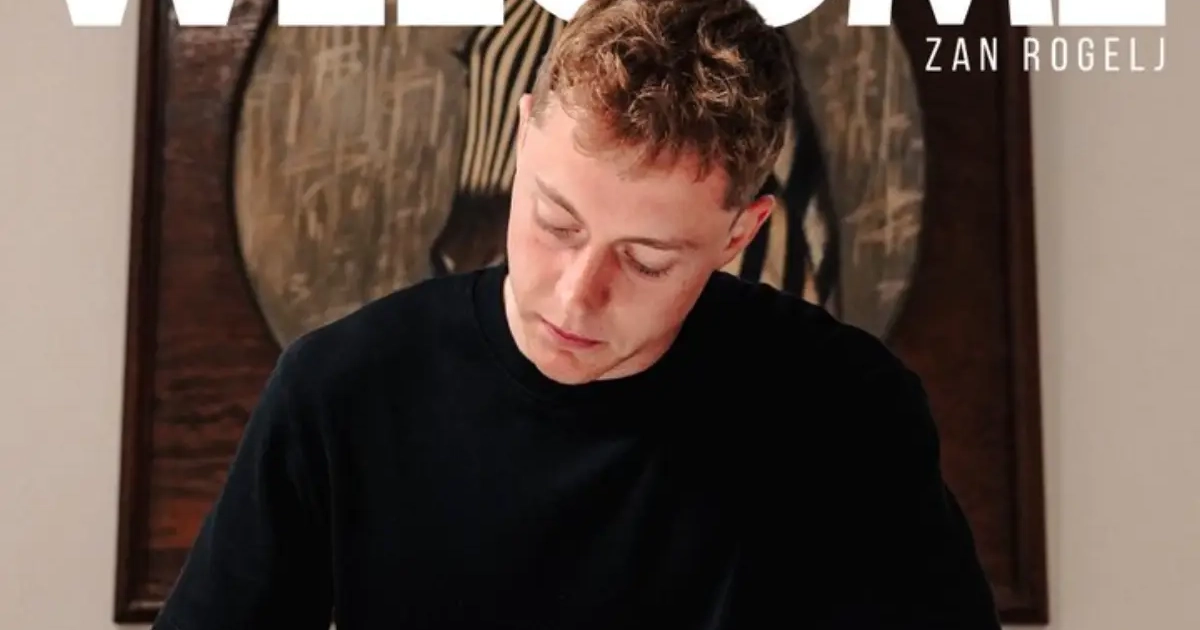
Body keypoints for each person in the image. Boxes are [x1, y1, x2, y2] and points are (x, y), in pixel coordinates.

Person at [151, 0, 1002, 628]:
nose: (575, 295)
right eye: (556, 223)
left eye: (646, 259)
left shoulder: (848, 411)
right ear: (523, 137)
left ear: (740, 233)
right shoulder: (339, 391)